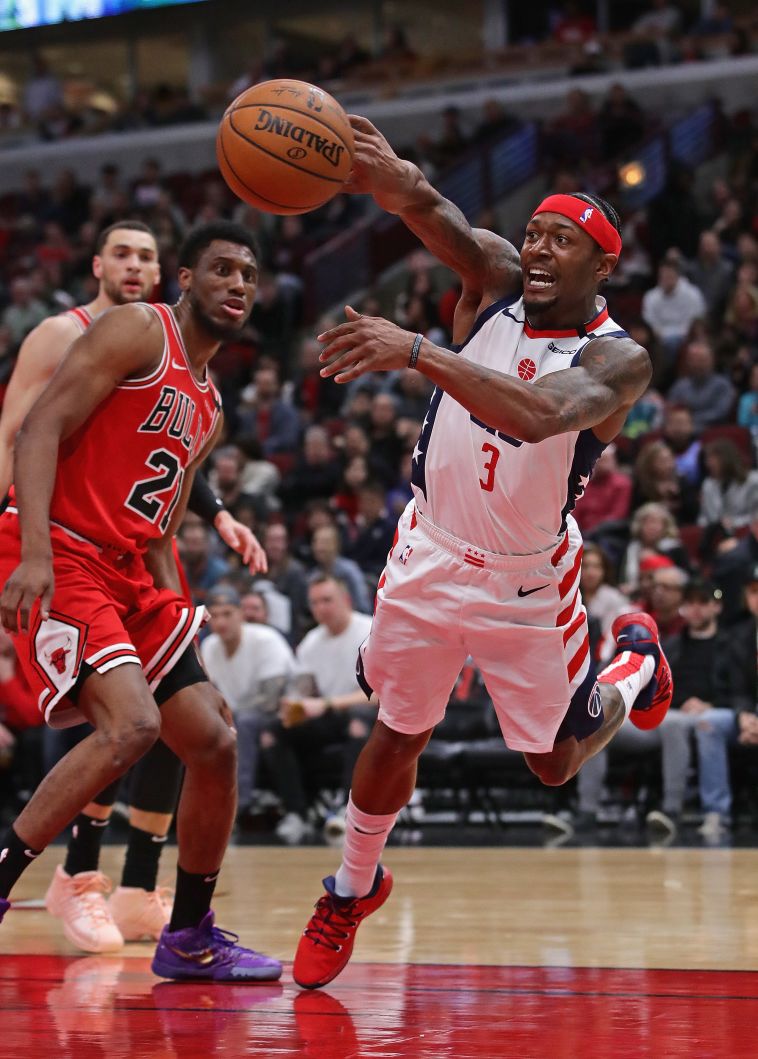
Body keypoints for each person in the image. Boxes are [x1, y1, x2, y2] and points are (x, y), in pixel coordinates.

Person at [292, 116, 673, 990]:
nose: (537, 249)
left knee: (552, 763)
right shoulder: (496, 280)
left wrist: (417, 351)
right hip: (430, 551)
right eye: (534, 232)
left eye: (562, 240)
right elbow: (434, 213)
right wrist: (390, 179)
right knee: (398, 730)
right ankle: (351, 887)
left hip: (525, 582)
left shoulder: (619, 359)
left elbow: (538, 415)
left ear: (602, 266)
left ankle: (636, 665)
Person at [0, 220, 281, 982]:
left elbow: (160, 534)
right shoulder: (138, 329)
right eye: (221, 269)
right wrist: (32, 552)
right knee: (133, 724)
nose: (237, 284)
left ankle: (188, 935)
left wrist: (178, 628)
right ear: (183, 279)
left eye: (249, 275)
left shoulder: (210, 406)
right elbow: (38, 427)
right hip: (61, 548)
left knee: (215, 739)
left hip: (127, 569)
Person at [261, 574, 375, 844]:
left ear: (346, 600)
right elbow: (304, 690)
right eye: (314, 603)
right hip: (329, 714)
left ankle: (350, 811)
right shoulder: (311, 642)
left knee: (357, 723)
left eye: (327, 600)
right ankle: (296, 813)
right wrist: (293, 706)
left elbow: (380, 695)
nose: (321, 608)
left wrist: (325, 704)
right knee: (272, 733)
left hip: (366, 711)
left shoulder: (371, 632)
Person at [200, 585, 296, 822]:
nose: (221, 622)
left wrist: (228, 717)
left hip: (281, 712)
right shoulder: (210, 646)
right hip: (236, 716)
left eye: (227, 614)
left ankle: (237, 804)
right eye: (215, 615)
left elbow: (271, 699)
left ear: (241, 614)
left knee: (244, 722)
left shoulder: (265, 639)